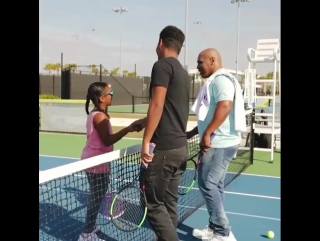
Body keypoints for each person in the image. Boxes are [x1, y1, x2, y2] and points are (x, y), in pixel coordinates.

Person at [135, 25, 190, 241]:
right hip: (179, 149)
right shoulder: (183, 73)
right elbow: (171, 109)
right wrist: (145, 122)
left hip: (165, 150)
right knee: (169, 204)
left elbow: (157, 105)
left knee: (153, 205)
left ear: (160, 43)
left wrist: (146, 140)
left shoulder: (162, 66)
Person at [188, 48, 243, 241]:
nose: (197, 66)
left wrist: (208, 133)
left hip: (219, 143)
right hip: (220, 141)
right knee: (216, 184)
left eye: (200, 62)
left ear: (212, 60)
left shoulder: (221, 80)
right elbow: (210, 115)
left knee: (207, 183)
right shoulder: (217, 80)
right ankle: (215, 227)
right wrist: (195, 132)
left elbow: (225, 107)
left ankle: (222, 232)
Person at [78, 82, 142, 241]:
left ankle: (90, 228)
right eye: (110, 93)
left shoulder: (98, 114)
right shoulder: (100, 116)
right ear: (101, 98)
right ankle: (86, 234)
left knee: (96, 196)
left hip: (97, 160)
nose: (112, 95)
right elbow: (107, 140)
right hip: (96, 162)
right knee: (96, 198)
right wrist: (128, 129)